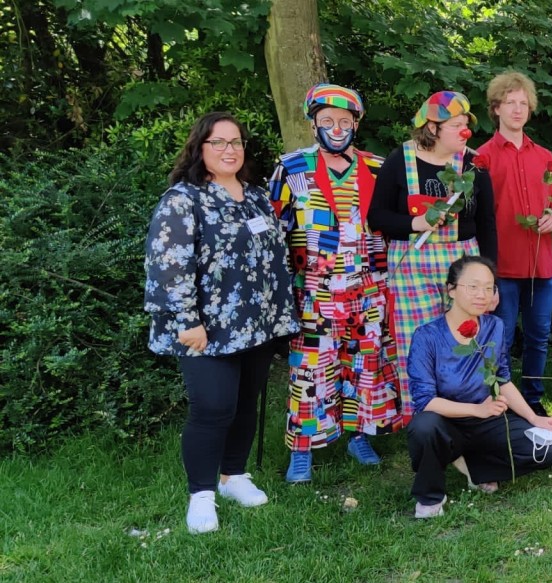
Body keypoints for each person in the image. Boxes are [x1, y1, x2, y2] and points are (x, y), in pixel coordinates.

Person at [145, 112, 300, 533]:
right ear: (200, 148)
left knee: (245, 403)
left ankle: (234, 476)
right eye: (219, 142)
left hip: (257, 325)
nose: (229, 150)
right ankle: (201, 494)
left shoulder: (255, 196)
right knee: (213, 408)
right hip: (205, 329)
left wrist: (282, 315)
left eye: (236, 142)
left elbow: (275, 258)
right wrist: (185, 319)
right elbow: (168, 266)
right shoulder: (183, 199)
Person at [268, 84, 401, 483]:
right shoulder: (292, 167)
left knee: (366, 365)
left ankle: (359, 434)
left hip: (368, 288)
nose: (337, 128)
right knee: (310, 369)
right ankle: (303, 448)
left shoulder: (379, 168)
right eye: (327, 120)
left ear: (356, 123)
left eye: (345, 120)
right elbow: (274, 231)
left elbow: (394, 225)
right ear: (312, 123)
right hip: (315, 291)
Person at [405, 256, 552, 518]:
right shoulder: (427, 336)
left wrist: (534, 417)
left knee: (548, 449)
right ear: (452, 289)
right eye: (473, 287)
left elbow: (502, 379)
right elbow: (426, 401)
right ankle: (430, 495)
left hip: (487, 419)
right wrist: (478, 409)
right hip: (446, 421)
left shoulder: (494, 326)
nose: (482, 295)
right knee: (424, 427)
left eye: (489, 288)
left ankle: (475, 467)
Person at [369, 90, 497, 389]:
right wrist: (415, 222)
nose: (465, 131)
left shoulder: (474, 165)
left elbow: (487, 224)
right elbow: (377, 216)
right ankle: (423, 415)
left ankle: (467, 411)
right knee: (417, 340)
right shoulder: (399, 159)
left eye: (466, 123)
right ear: (432, 128)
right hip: (412, 265)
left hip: (465, 261)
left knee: (465, 339)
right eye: (456, 125)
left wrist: (492, 281)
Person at [476, 71, 552, 416]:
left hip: (541, 266)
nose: (517, 109)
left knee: (539, 337)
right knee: (499, 339)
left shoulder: (546, 157)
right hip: (501, 266)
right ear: (496, 108)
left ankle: (531, 397)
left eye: (523, 103)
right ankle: (496, 399)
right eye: (510, 103)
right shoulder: (482, 158)